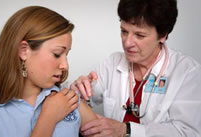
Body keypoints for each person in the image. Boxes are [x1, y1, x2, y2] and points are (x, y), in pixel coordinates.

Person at [70, 0, 201, 136]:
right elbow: (82, 102)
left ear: (163, 35)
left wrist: (126, 130)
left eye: (139, 35)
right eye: (124, 31)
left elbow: (187, 132)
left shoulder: (187, 72)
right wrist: (78, 91)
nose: (127, 43)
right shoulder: (112, 63)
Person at [0, 6, 97, 137]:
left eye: (66, 55)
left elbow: (106, 131)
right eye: (57, 54)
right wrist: (49, 117)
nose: (65, 66)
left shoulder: (69, 99)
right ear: (24, 51)